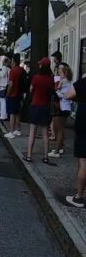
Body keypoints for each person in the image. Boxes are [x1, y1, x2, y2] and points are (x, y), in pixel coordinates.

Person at [24, 57, 56, 164]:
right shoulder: (51, 79)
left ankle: (29, 155)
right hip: (45, 107)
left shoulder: (36, 78)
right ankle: (46, 157)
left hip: (35, 105)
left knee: (32, 132)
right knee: (45, 133)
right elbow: (52, 91)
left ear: (42, 66)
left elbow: (31, 90)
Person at [65, 74, 86, 208]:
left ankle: (79, 196)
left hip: (84, 122)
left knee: (83, 160)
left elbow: (69, 95)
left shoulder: (83, 82)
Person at [50, 64, 73, 158]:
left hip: (62, 107)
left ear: (65, 72)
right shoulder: (68, 81)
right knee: (58, 129)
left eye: (61, 70)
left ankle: (56, 151)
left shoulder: (63, 81)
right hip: (65, 107)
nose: (59, 72)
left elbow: (56, 89)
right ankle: (60, 147)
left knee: (59, 130)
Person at [4, 54, 25, 139]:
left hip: (13, 94)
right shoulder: (22, 70)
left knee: (12, 113)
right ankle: (18, 129)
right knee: (17, 113)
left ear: (13, 61)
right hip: (20, 94)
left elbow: (11, 84)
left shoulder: (13, 70)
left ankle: (11, 131)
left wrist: (7, 94)